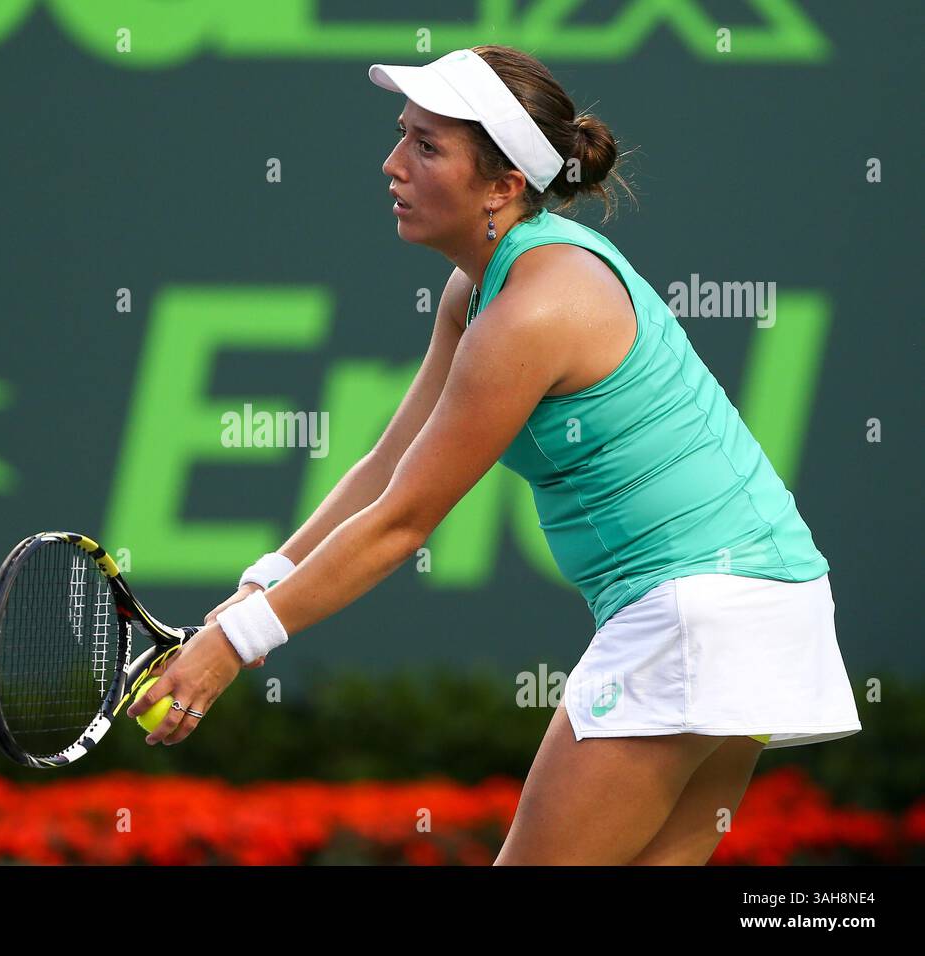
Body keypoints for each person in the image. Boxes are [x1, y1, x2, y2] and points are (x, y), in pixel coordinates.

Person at [126, 44, 861, 865]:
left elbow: (403, 521)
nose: (392, 164)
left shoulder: (530, 314)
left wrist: (236, 645)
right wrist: (264, 582)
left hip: (694, 612)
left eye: (427, 147)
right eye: (402, 135)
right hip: (769, 596)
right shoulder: (485, 286)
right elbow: (386, 464)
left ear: (504, 186)